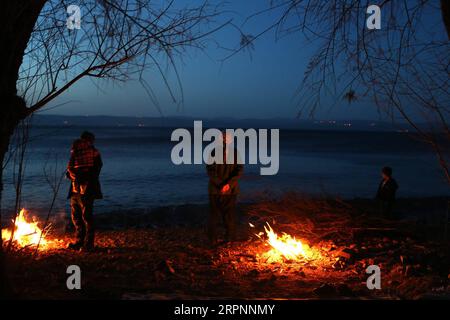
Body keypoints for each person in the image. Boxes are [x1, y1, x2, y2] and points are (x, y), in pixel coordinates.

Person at [67, 131, 103, 251]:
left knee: (86, 216)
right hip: (75, 189)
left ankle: (88, 244)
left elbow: (96, 171)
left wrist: (81, 176)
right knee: (76, 216)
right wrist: (71, 175)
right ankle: (80, 241)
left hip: (87, 190)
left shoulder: (94, 153)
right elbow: (69, 169)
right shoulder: (76, 153)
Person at [206, 132, 243, 246]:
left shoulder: (235, 153)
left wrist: (228, 185)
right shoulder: (213, 152)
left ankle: (229, 239)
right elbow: (210, 170)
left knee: (229, 215)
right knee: (214, 215)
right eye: (223, 138)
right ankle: (213, 239)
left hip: (230, 190)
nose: (225, 140)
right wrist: (222, 184)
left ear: (231, 140)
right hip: (216, 189)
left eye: (227, 138)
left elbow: (239, 170)